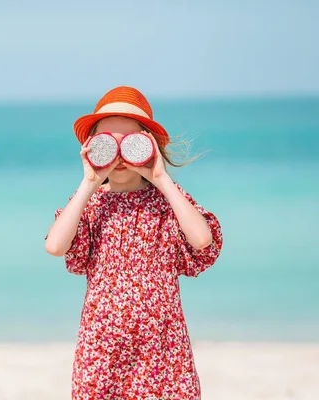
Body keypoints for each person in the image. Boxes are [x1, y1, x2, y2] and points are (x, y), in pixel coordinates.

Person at [45, 86, 223, 399]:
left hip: (162, 354)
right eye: (106, 143)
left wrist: (161, 178)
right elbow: (56, 246)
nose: (120, 153)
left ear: (149, 145)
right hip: (102, 353)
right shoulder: (91, 203)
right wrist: (89, 181)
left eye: (132, 142)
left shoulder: (167, 201)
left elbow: (201, 240)